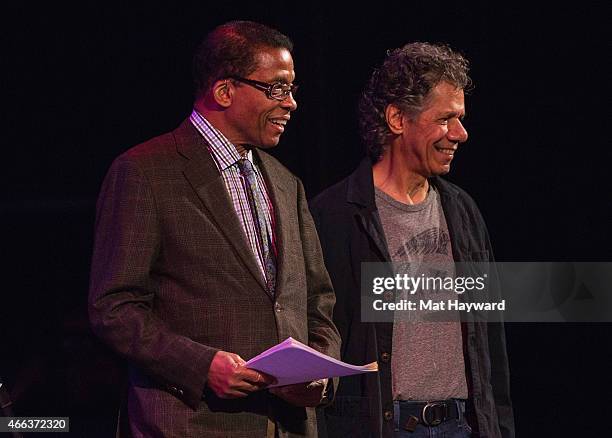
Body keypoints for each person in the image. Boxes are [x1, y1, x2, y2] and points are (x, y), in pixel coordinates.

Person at [88, 21, 340, 438]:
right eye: (277, 89)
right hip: (194, 425)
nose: (291, 103)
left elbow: (318, 301)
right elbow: (113, 307)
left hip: (287, 427)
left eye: (292, 89)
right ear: (225, 91)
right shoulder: (145, 172)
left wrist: (320, 375)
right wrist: (200, 365)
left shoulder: (284, 182)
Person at [310, 43, 514, 437]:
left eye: (461, 119)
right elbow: (320, 337)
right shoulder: (333, 216)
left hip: (461, 426)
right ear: (397, 118)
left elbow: (491, 343)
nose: (461, 133)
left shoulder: (463, 210)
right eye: (446, 119)